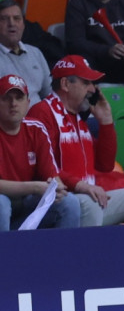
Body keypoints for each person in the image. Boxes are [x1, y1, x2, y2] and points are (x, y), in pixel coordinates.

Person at [28, 55, 124, 228]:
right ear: (66, 84)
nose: (93, 89)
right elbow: (44, 168)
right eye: (86, 83)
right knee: (90, 204)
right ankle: (88, 255)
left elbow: (105, 165)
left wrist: (106, 122)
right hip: (59, 199)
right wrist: (81, 186)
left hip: (87, 197)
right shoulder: (42, 112)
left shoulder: (78, 119)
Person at [0, 74, 80, 231]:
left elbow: (52, 178)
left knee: (69, 202)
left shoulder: (36, 129)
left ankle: (64, 254)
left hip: (26, 204)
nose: (13, 104)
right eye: (6, 98)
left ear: (28, 103)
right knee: (1, 203)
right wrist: (35, 187)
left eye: (19, 98)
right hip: (5, 202)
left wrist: (55, 189)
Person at [0, 0, 52, 106]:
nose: (11, 23)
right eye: (4, 19)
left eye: (17, 18)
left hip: (40, 119)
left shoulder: (35, 53)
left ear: (23, 25)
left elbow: (49, 94)